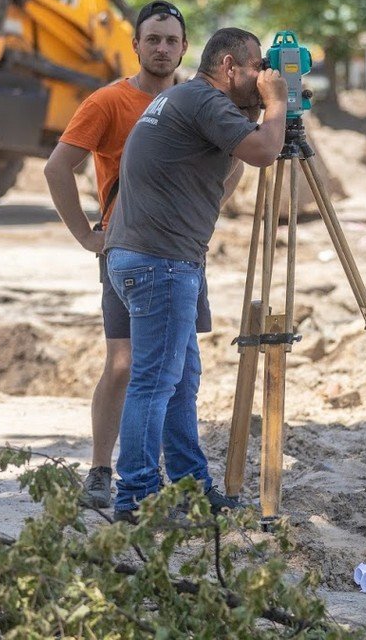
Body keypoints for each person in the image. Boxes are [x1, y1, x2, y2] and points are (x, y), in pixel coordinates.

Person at [104, 27, 288, 522]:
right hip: (161, 261)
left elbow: (229, 170)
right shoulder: (204, 101)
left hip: (147, 256)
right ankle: (137, 496)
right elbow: (266, 152)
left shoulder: (189, 99)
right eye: (255, 69)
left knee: (180, 380)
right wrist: (277, 103)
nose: (263, 77)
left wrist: (259, 104)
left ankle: (188, 486)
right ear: (229, 66)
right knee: (154, 383)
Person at [44, 0, 206, 509]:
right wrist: (86, 236)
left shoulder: (195, 102)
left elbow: (233, 167)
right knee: (124, 365)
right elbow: (57, 168)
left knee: (177, 368)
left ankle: (174, 482)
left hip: (182, 251)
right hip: (129, 250)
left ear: (184, 47)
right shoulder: (108, 102)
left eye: (171, 40)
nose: (161, 48)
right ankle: (101, 469)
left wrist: (201, 211)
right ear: (135, 45)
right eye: (152, 39)